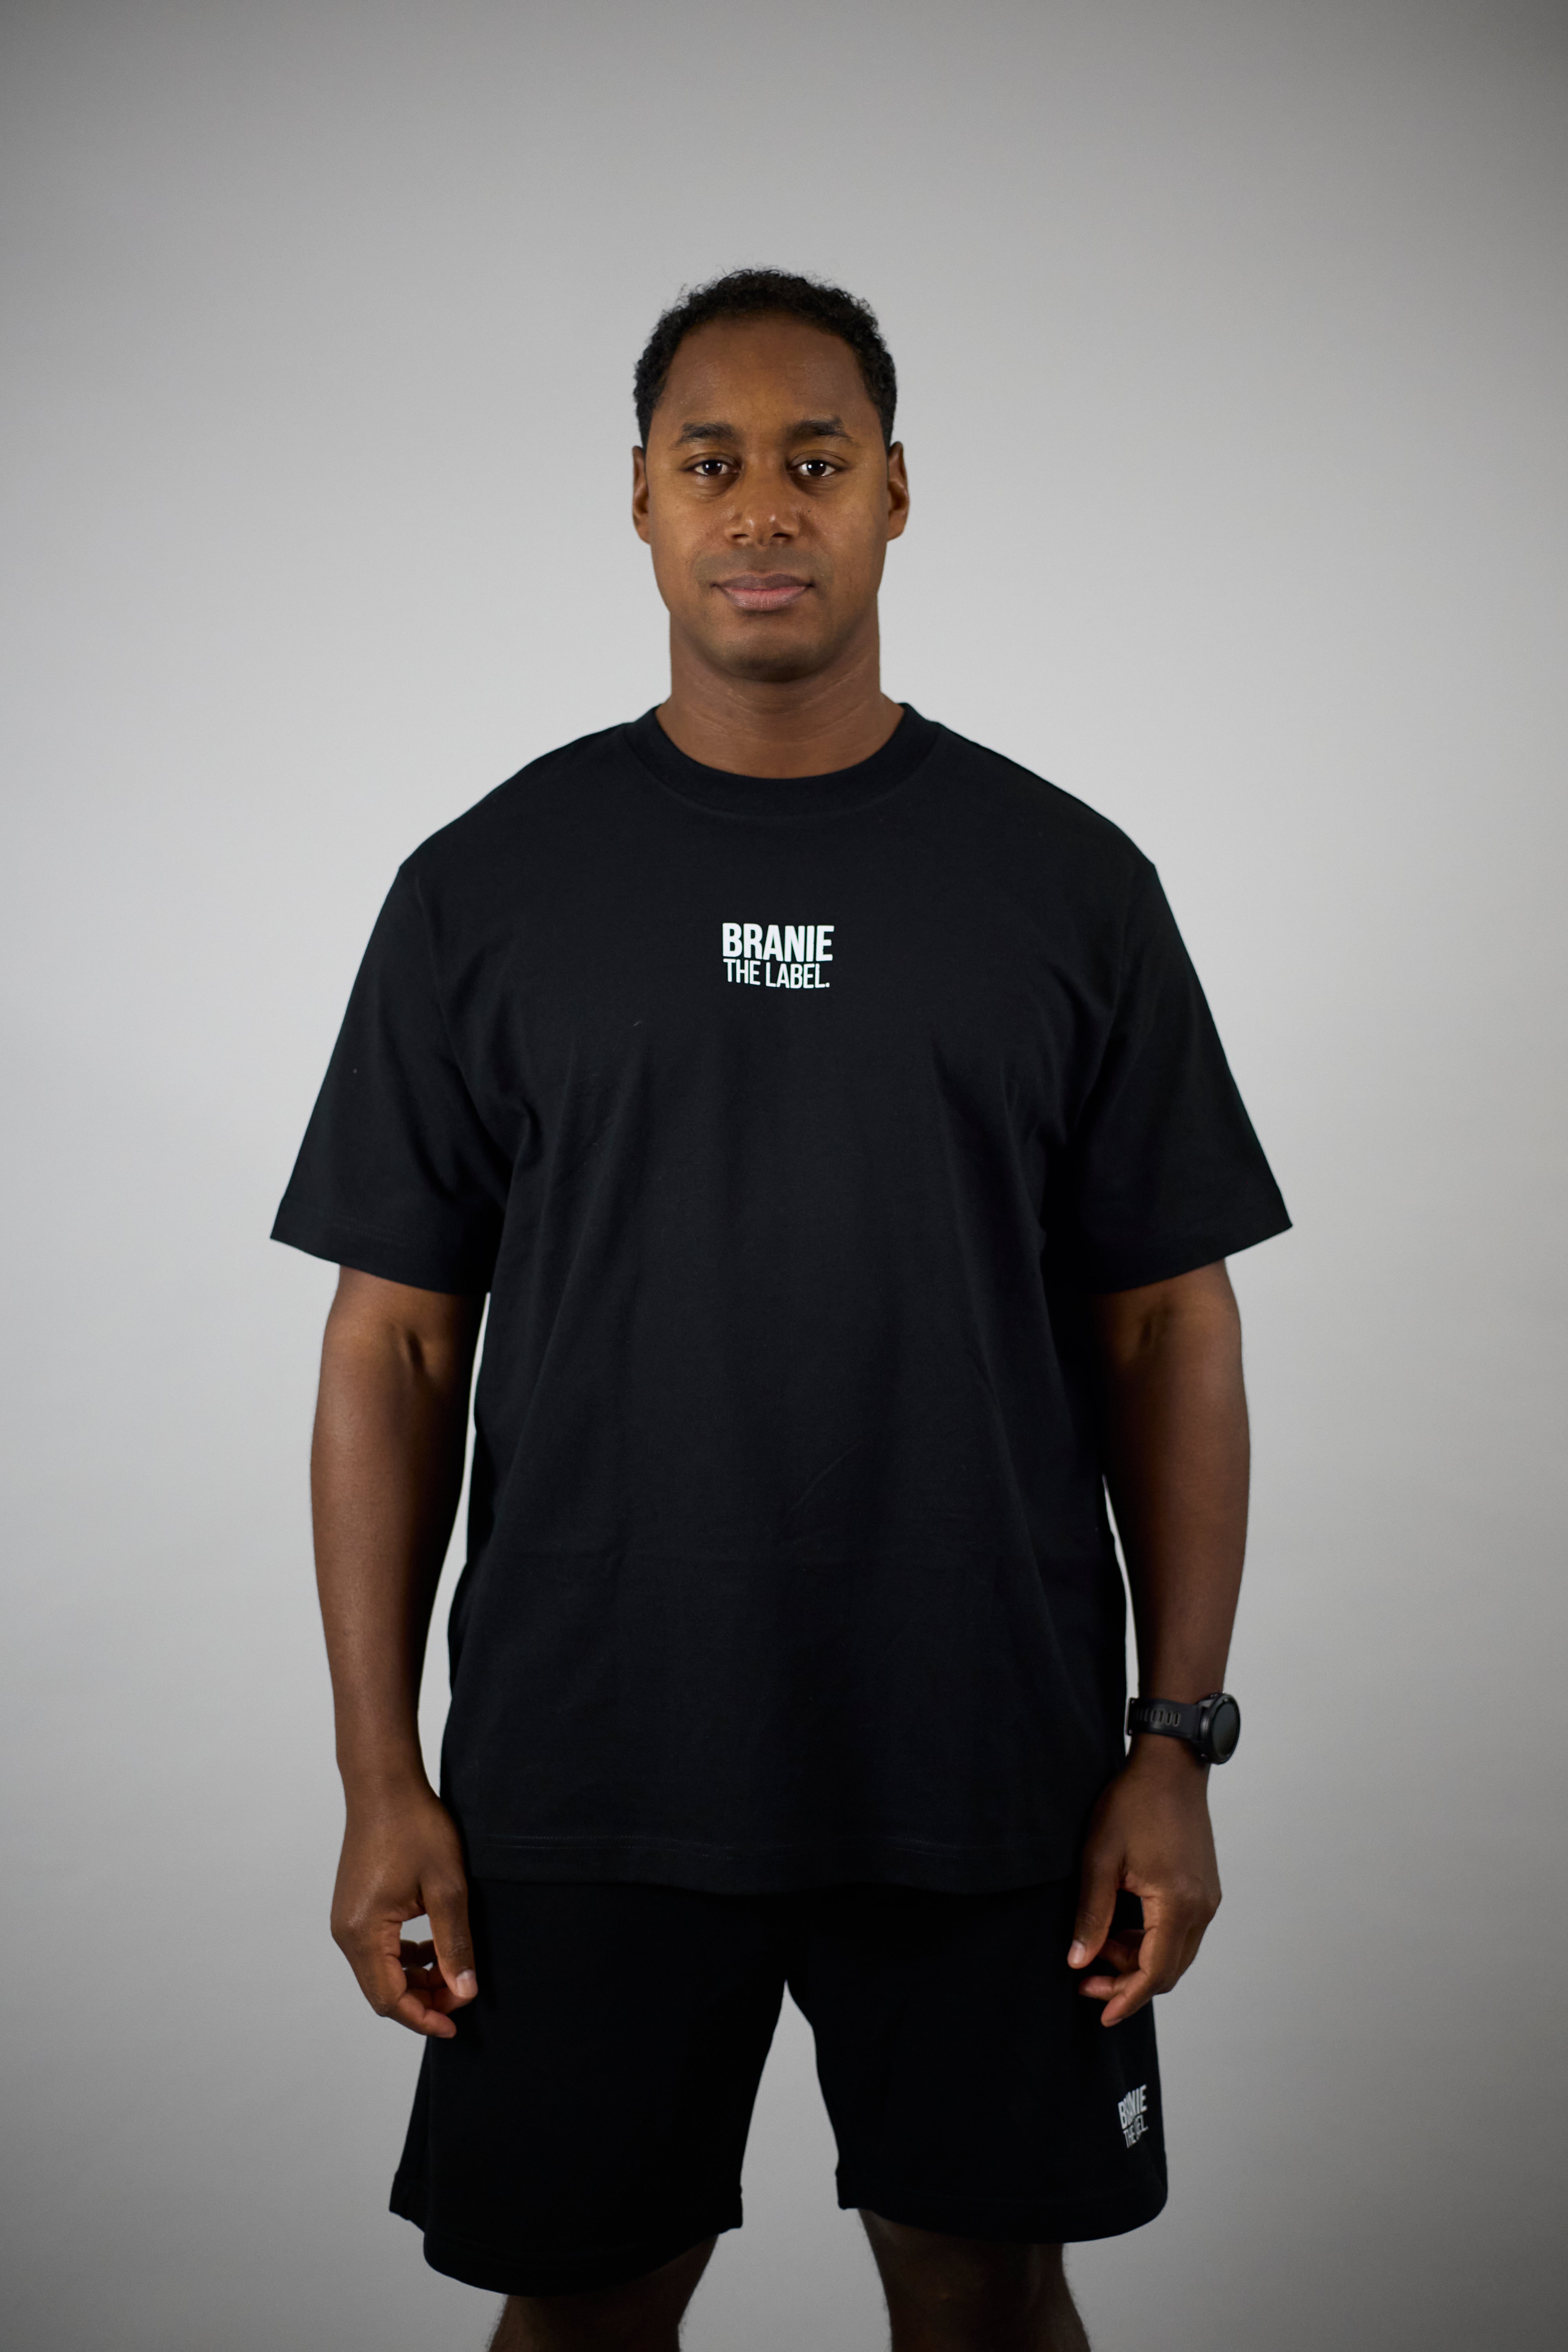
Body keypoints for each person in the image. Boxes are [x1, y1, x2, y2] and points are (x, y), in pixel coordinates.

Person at [274, 268, 1289, 2352]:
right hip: (587, 1768)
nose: (763, 507)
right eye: (711, 461)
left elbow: (1169, 1327)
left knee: (987, 2298)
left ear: (897, 493)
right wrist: (383, 1775)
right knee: (579, 2313)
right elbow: (395, 1342)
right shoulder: (488, 886)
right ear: (640, 501)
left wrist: (1174, 1743)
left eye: (816, 461)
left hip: (987, 1765)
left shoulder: (1066, 884)